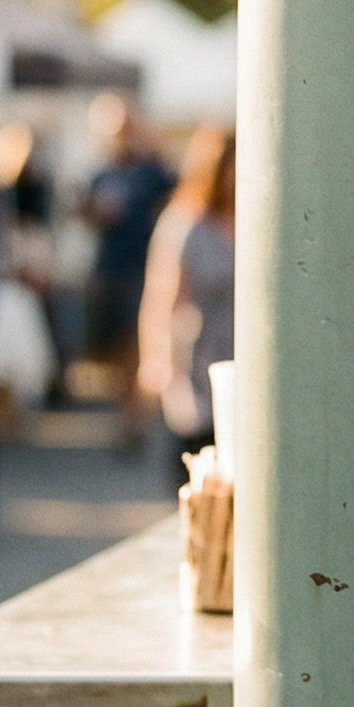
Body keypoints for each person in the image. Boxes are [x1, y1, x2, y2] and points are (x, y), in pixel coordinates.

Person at [137, 127, 234, 485]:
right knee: (200, 463)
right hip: (199, 357)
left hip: (242, 354)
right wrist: (155, 361)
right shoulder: (185, 224)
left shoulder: (254, 222)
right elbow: (161, 299)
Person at [81, 93, 173, 437]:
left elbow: (173, 201)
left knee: (137, 341)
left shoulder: (150, 169)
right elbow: (86, 216)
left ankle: (134, 415)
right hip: (110, 268)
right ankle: (127, 408)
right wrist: (97, 213)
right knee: (115, 345)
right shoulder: (101, 173)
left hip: (142, 265)